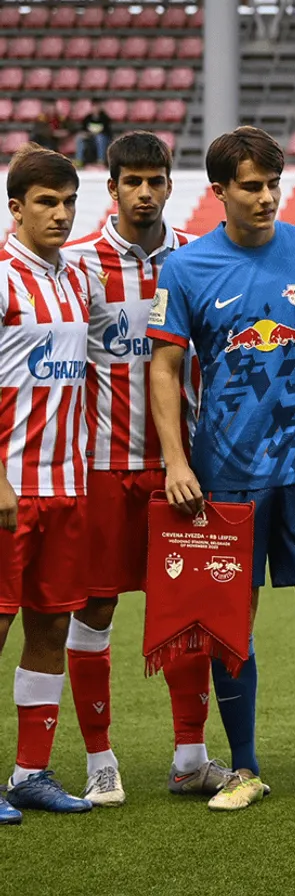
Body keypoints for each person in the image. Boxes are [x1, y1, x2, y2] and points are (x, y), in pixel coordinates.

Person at [146, 127, 295, 811]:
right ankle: (244, 768)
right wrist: (175, 460)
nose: (266, 197)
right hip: (225, 473)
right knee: (231, 619)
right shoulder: (188, 268)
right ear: (219, 191)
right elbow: (164, 369)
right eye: (250, 186)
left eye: (272, 183)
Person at [61, 132, 211, 808]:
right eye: (133, 182)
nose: (144, 193)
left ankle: (191, 755)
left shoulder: (198, 260)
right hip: (101, 466)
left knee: (186, 610)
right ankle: (100, 760)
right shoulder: (78, 266)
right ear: (112, 188)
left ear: (170, 187)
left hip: (183, 467)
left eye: (155, 181)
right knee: (94, 607)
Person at [0, 147, 97, 821]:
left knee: (49, 626)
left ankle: (29, 772)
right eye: (45, 202)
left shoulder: (73, 279)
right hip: (8, 489)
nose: (60, 214)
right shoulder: (3, 278)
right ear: (15, 208)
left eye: (67, 202)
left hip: (67, 485)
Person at [75, 99, 110, 167]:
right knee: (79, 138)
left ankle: (101, 160)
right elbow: (83, 130)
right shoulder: (87, 118)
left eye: (97, 106)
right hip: (90, 138)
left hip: (102, 139)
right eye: (94, 107)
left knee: (100, 137)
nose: (95, 109)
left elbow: (107, 132)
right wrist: (85, 134)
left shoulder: (104, 118)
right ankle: (79, 160)